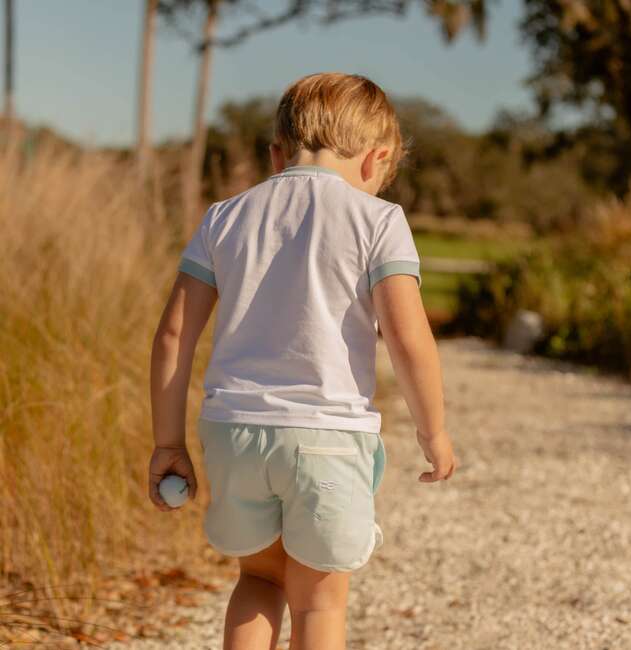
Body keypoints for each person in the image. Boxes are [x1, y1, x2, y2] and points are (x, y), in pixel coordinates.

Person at [148, 71, 456, 650]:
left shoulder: (223, 217)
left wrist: (168, 443)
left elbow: (172, 337)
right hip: (328, 439)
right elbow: (410, 340)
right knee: (319, 601)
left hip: (236, 433)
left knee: (258, 578)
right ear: (378, 160)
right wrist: (433, 430)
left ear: (276, 155)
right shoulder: (380, 220)